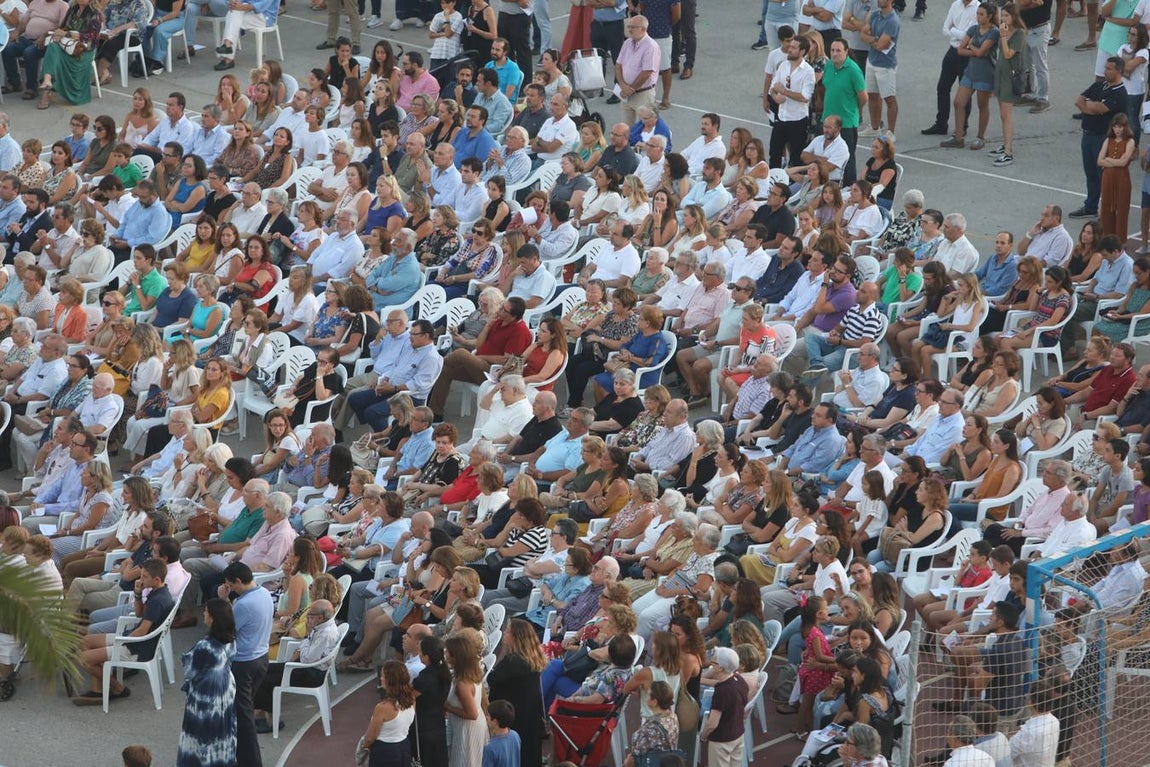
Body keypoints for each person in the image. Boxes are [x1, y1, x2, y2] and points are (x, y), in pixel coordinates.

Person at [176, 598, 237, 767]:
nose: (203, 613)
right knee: (221, 735)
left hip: (205, 699)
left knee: (200, 739)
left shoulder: (205, 646)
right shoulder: (231, 639)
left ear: (213, 618)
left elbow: (190, 672)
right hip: (225, 692)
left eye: (206, 611)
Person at [487, 619, 546, 767]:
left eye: (508, 632)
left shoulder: (515, 661)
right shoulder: (529, 657)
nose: (505, 634)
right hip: (529, 711)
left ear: (516, 637)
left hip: (518, 712)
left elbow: (493, 678)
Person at [362, 661, 417, 767]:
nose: (381, 678)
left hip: (384, 751)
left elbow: (370, 737)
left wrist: (365, 747)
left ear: (390, 681)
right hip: (404, 746)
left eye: (383, 676)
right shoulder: (412, 699)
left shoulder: (383, 707)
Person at [701, 646, 750, 767]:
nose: (712, 664)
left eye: (714, 662)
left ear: (720, 668)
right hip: (738, 734)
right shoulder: (739, 680)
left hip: (721, 740)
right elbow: (719, 683)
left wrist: (704, 734)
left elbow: (713, 723)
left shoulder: (722, 692)